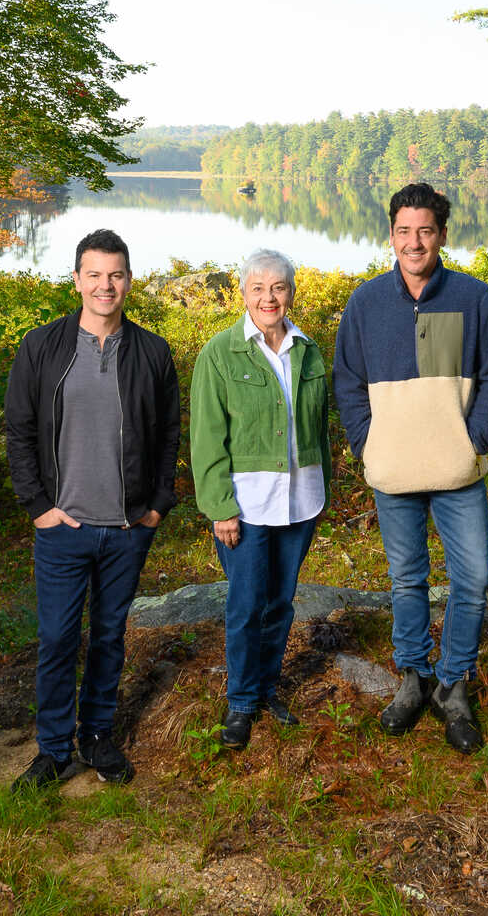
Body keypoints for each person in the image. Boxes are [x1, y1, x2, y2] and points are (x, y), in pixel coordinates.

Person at [333, 182, 488, 754]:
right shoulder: (365, 304)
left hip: (458, 472)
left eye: (426, 231)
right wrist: (368, 444)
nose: (415, 242)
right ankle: (413, 676)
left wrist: (474, 439)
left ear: (441, 235)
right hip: (394, 471)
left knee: (474, 580)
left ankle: (453, 683)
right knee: (406, 579)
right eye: (405, 231)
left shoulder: (473, 298)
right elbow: (348, 383)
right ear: (391, 235)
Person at [5, 229, 180, 790]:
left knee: (109, 634)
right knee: (57, 638)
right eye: (95, 274)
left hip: (127, 528)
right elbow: (20, 430)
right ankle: (53, 750)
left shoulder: (153, 352)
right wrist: (38, 506)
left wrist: (155, 505)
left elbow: (170, 433)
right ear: (77, 278)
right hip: (63, 527)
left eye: (116, 274)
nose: (106, 285)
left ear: (129, 279)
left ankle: (97, 736)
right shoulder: (42, 346)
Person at [189, 249, 330, 751]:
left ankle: (267, 687)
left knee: (280, 602)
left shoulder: (307, 351)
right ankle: (242, 701)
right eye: (258, 288)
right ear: (242, 293)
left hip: (301, 501)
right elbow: (206, 438)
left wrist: (323, 487)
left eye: (279, 288)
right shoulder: (220, 353)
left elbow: (318, 429)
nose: (269, 298)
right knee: (247, 604)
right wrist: (219, 506)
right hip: (246, 506)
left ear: (292, 292)